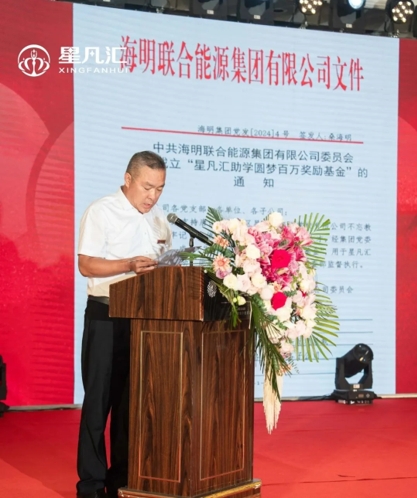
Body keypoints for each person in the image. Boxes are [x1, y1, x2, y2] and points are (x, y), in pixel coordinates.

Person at [76, 151, 172, 498]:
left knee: (131, 406)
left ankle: (121, 483)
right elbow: (86, 265)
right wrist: (128, 265)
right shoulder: (101, 211)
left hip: (145, 321)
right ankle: (90, 486)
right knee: (98, 404)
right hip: (106, 316)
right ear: (128, 179)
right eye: (147, 187)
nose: (152, 196)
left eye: (159, 189)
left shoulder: (160, 220)